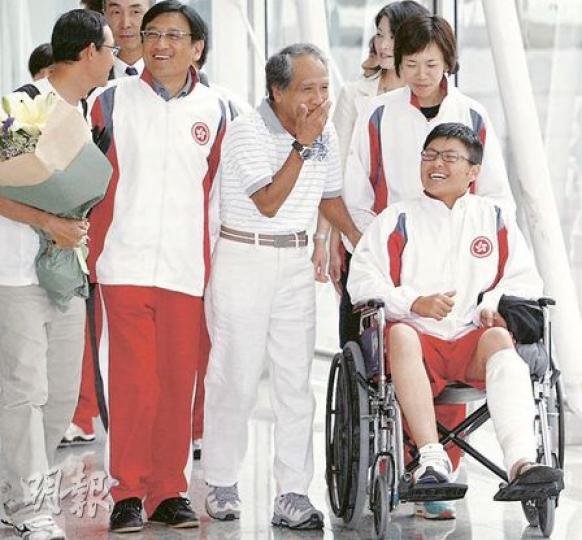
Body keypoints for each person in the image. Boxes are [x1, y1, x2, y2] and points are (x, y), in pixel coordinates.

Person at [342, 14, 517, 518]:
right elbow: (357, 195)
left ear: (448, 63)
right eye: (411, 62)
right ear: (396, 61)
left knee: (463, 338)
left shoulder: (473, 114)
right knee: (405, 349)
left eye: (432, 63)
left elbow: (495, 195)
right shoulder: (377, 115)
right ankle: (413, 462)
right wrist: (384, 246)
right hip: (396, 251)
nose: (421, 73)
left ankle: (441, 475)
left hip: (461, 251)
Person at [348, 122, 564, 518]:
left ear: (473, 171)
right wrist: (414, 302)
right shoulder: (396, 219)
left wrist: (494, 301)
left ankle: (522, 462)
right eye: (429, 156)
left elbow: (524, 277)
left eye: (449, 157)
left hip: (471, 338)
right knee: (401, 336)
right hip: (417, 343)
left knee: (501, 340)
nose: (436, 164)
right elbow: (362, 281)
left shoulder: (494, 218)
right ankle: (432, 459)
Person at [202, 43, 361, 530]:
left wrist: (359, 240)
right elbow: (269, 200)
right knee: (237, 376)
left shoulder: (323, 132)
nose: (318, 99)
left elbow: (329, 196)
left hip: (294, 264)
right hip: (244, 256)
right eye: (306, 89)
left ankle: (292, 493)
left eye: (323, 88)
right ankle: (222, 480)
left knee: (296, 384)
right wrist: (302, 144)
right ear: (277, 91)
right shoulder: (247, 130)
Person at [88, 0, 228, 532]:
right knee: (131, 385)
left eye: (174, 35)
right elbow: (87, 184)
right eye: (152, 34)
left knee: (177, 385)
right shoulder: (109, 103)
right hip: (123, 264)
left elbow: (217, 197)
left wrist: (214, 265)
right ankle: (127, 492)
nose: (160, 44)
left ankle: (168, 491)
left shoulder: (217, 110)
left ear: (196, 48)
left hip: (185, 270)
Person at [0, 9, 115, 539]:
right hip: (16, 273)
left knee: (63, 393)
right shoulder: (26, 104)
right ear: (89, 52)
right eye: (111, 48)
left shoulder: (87, 109)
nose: (116, 58)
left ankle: (20, 492)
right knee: (24, 391)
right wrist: (49, 220)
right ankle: (27, 508)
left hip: (64, 273)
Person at [61, 0, 154, 449]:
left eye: (136, 10)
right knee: (92, 330)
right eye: (115, 11)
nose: (126, 22)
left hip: (161, 239)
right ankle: (85, 414)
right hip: (101, 233)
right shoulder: (90, 88)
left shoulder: (191, 88)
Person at [322, 0, 430, 345]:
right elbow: (333, 173)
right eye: (380, 35)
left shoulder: (428, 97)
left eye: (393, 36)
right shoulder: (355, 95)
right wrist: (331, 239)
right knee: (358, 329)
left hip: (417, 233)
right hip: (361, 228)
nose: (384, 45)